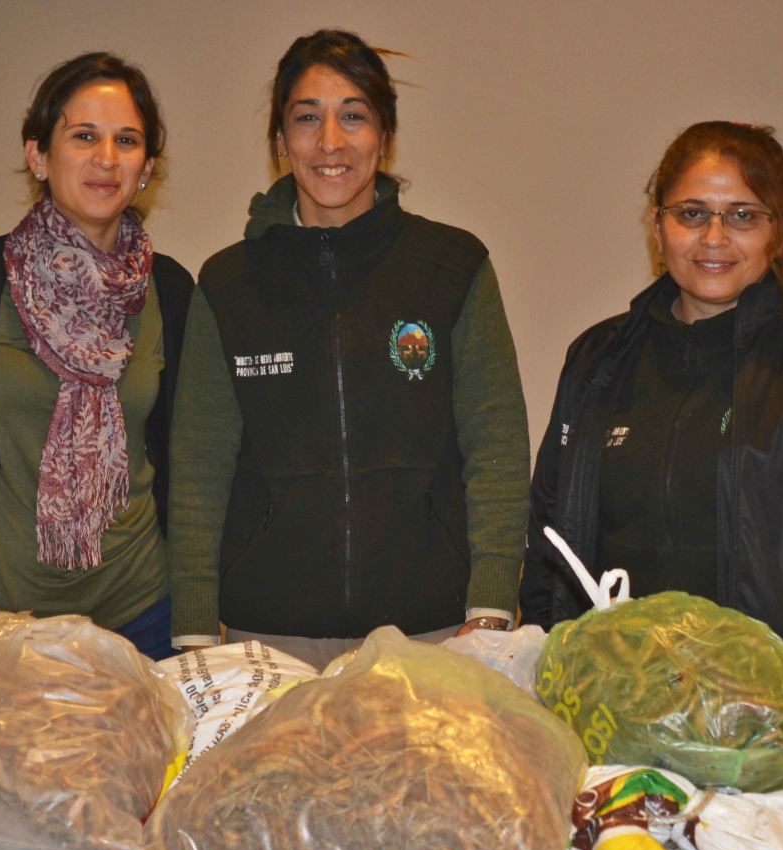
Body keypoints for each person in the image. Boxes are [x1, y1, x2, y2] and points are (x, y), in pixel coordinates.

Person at [168, 29, 530, 669]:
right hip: (268, 639)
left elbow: (495, 445)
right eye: (307, 118)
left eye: (353, 116)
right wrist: (195, 632)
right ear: (281, 142)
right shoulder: (227, 284)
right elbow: (199, 467)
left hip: (437, 634)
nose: (330, 141)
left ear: (384, 137)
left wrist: (492, 609)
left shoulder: (452, 265)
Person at [520, 121, 783, 675]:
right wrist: (555, 673)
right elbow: (552, 536)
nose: (714, 238)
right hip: (617, 693)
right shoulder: (598, 359)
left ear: (779, 231)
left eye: (743, 215)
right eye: (691, 213)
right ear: (658, 225)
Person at [0, 52, 193, 659]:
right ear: (38, 156)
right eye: (83, 136)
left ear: (147, 166)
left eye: (126, 140)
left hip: (141, 616)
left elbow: (185, 457)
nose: (107, 157)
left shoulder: (172, 292)